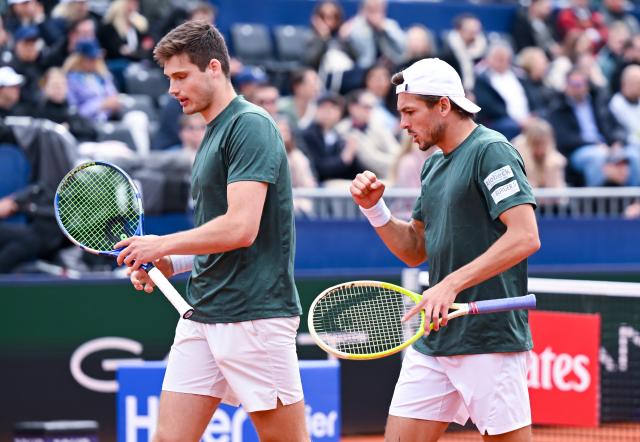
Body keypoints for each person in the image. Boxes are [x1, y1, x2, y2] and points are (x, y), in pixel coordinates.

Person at [114, 20, 309, 442]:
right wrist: (169, 261)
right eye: (169, 78)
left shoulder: (250, 125)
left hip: (254, 316)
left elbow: (241, 228)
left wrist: (161, 242)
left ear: (214, 68)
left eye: (181, 76)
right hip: (203, 313)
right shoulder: (214, 132)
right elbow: (216, 235)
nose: (171, 89)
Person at [350, 57, 540, 441]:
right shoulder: (432, 166)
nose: (402, 124)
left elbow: (525, 237)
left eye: (409, 112)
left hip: (490, 339)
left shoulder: (491, 150)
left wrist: (450, 284)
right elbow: (415, 250)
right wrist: (375, 209)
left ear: (443, 105)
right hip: (437, 337)